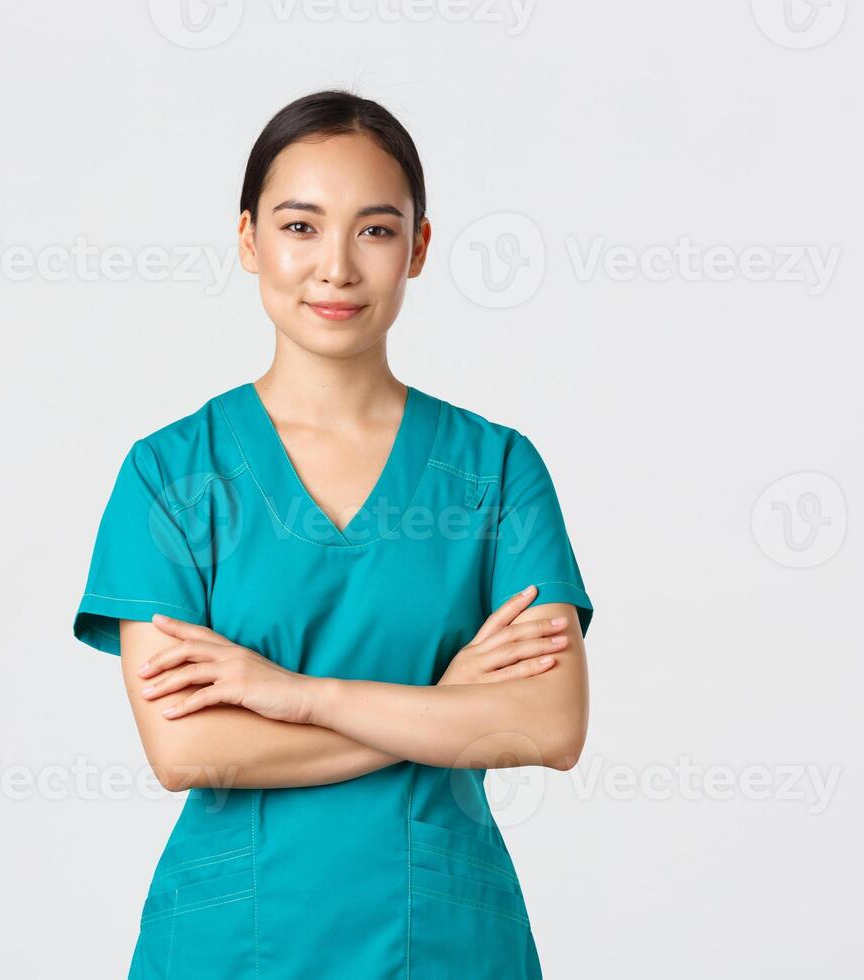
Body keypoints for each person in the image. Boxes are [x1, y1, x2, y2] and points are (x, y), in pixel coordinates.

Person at [70, 89, 595, 979]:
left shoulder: (495, 473)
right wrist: (440, 703)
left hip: (442, 942)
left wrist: (291, 695)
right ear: (248, 241)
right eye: (300, 226)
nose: (336, 269)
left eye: (376, 230)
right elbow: (186, 749)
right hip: (232, 943)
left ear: (419, 248)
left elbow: (547, 727)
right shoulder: (172, 475)